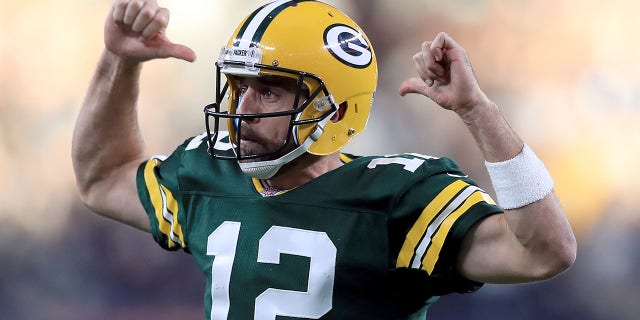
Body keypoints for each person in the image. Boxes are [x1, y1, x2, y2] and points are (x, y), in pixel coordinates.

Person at [72, 0, 577, 319]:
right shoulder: (210, 171)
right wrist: (120, 61)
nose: (242, 109)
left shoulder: (398, 197)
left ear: (333, 110)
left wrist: (477, 111)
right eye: (238, 86)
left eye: (268, 92)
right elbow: (102, 178)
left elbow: (545, 252)